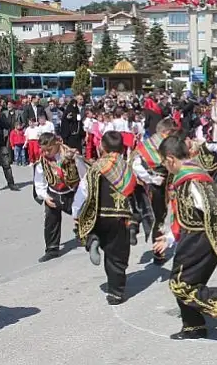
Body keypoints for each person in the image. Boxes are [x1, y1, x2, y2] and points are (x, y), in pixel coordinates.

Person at [152, 135, 217, 340]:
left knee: (180, 284)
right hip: (191, 236)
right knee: (188, 282)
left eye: (164, 164)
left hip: (198, 239)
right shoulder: (189, 176)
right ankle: (193, 326)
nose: (165, 169)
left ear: (170, 159)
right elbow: (182, 215)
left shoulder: (193, 179)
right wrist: (168, 238)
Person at [72, 131, 136, 305]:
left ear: (102, 147)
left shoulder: (96, 168)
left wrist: (77, 215)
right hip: (119, 217)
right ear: (122, 148)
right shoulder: (126, 166)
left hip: (98, 215)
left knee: (90, 228)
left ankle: (93, 238)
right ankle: (116, 293)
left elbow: (83, 192)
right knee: (116, 256)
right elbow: (134, 191)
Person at [33, 133, 87, 262]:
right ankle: (52, 249)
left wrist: (82, 196)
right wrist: (45, 197)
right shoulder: (42, 162)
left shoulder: (72, 156)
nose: (46, 153)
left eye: (49, 149)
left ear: (57, 144)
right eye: (43, 150)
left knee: (84, 214)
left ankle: (87, 235)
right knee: (51, 220)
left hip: (72, 192)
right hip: (54, 193)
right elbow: (39, 182)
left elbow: (84, 176)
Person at [130, 118, 177, 263]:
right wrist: (152, 179)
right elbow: (135, 165)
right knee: (158, 217)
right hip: (155, 185)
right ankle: (158, 251)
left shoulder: (161, 143)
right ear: (166, 132)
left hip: (168, 181)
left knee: (165, 214)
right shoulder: (147, 146)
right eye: (172, 133)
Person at [0, 107, 18, 192]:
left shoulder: (0, 115)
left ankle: (11, 184)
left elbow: (8, 126)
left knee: (6, 164)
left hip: (0, 144)